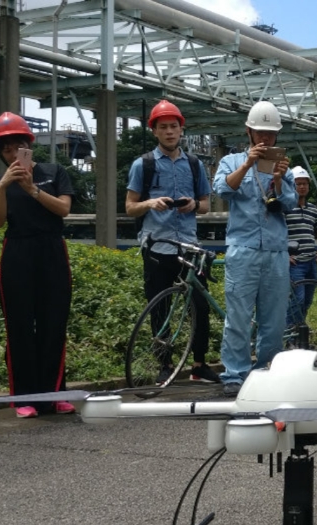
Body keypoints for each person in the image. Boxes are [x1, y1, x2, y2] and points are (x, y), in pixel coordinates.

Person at [0, 112, 75, 419]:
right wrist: (2, 189)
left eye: (18, 147)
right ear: (0, 152)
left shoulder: (54, 171)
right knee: (20, 327)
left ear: (29, 146)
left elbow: (63, 209)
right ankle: (23, 398)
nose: (13, 154)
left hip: (52, 249)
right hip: (17, 252)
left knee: (54, 323)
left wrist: (32, 190)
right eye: (7, 149)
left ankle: (55, 394)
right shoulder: (0, 181)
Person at [125, 100, 219, 384]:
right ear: (154, 131)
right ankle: (163, 364)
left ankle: (199, 365)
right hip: (158, 246)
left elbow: (205, 204)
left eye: (173, 126)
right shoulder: (143, 164)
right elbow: (130, 207)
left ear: (181, 129)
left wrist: (193, 205)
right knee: (159, 307)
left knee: (200, 307)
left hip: (189, 245)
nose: (169, 132)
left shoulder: (194, 164)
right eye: (163, 127)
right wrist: (151, 202)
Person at [213, 101, 298, 396]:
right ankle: (234, 374)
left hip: (275, 250)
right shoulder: (231, 161)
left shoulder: (282, 168)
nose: (265, 139)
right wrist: (248, 164)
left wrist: (277, 178)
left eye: (271, 134)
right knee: (237, 315)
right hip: (243, 248)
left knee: (273, 319)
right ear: (248, 131)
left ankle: (266, 370)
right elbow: (223, 190)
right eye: (260, 132)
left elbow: (288, 204)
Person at [286, 165, 317, 324]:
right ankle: (291, 335)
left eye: (305, 184)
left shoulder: (312, 209)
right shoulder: (286, 208)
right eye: (298, 183)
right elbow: (277, 232)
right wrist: (285, 254)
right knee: (298, 300)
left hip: (311, 262)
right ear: (291, 185)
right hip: (295, 263)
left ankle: (299, 332)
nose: (302, 187)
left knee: (308, 300)